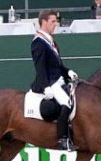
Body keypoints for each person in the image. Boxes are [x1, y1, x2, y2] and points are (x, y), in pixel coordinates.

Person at [30, 10, 78, 151]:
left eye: (55, 21)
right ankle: (62, 139)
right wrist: (46, 86)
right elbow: (40, 67)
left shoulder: (51, 41)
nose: (55, 24)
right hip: (51, 83)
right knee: (66, 103)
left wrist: (68, 72)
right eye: (52, 21)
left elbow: (57, 65)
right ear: (43, 22)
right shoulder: (38, 42)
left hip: (59, 79)